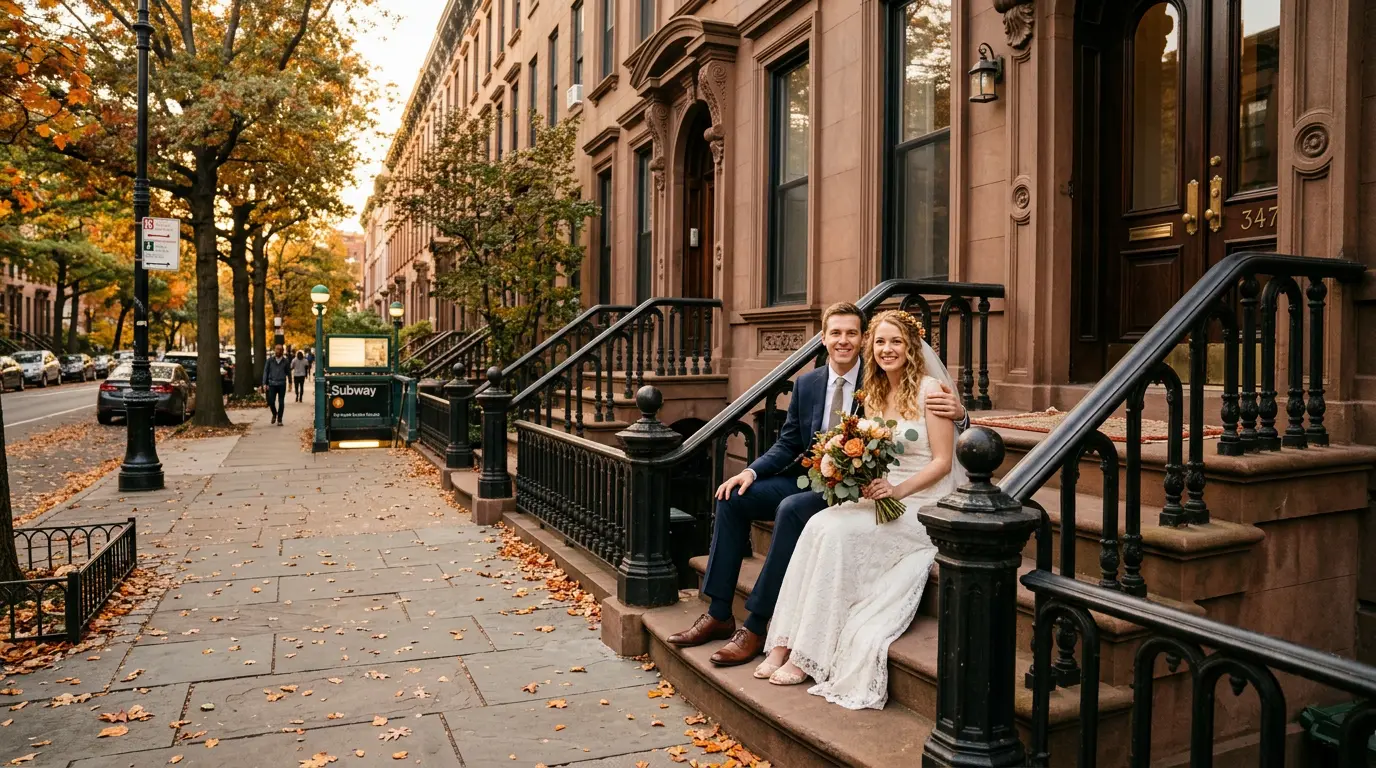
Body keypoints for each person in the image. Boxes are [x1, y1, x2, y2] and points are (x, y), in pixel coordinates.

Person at [666, 302, 968, 667]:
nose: (844, 341)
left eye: (852, 334)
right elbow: (789, 442)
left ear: (862, 340)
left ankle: (757, 624)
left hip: (854, 490)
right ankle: (718, 613)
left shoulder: (875, 380)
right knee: (734, 498)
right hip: (812, 478)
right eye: (836, 333)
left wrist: (963, 414)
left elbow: (929, 434)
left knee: (791, 510)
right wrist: (752, 471)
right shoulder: (809, 382)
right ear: (823, 339)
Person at [756, 309, 964, 710]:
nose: (887, 349)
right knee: (818, 523)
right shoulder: (873, 393)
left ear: (911, 347)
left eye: (896, 342)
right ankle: (783, 643)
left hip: (921, 501)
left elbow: (941, 461)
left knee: (837, 535)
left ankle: (808, 656)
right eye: (881, 342)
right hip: (881, 494)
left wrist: (898, 490)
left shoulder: (931, 390)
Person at [261, 344, 291, 425]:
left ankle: (280, 419)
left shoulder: (285, 361)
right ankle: (274, 414)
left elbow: (288, 372)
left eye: (280, 350)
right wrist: (264, 383)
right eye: (277, 349)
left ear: (282, 351)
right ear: (275, 350)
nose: (278, 351)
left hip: (282, 384)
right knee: (271, 401)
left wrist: (290, 383)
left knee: (281, 402)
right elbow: (265, 372)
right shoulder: (270, 360)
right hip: (272, 384)